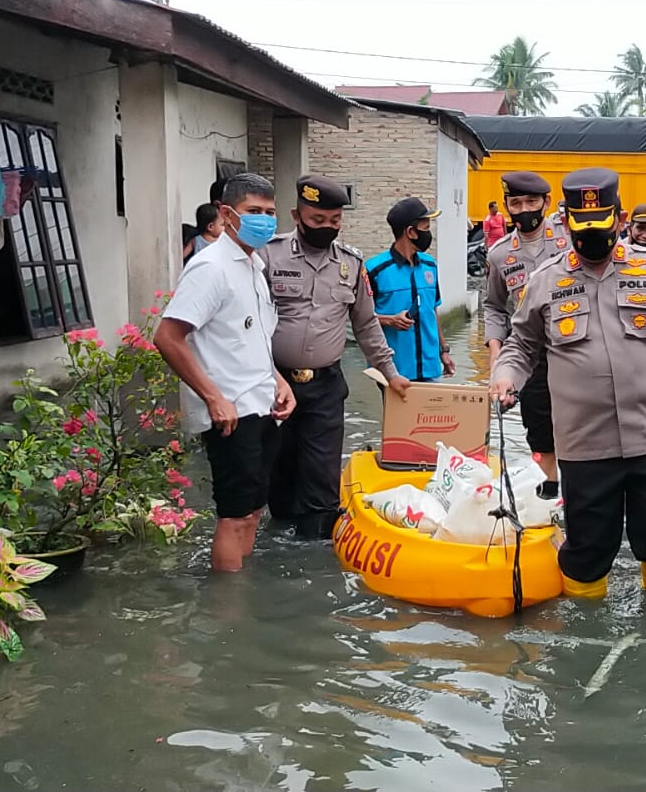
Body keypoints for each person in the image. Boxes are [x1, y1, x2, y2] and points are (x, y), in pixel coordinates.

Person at [491, 167, 646, 599]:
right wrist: (505, 376)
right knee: (588, 550)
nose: (591, 238)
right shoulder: (545, 281)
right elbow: (521, 345)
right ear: (567, 222)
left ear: (619, 219)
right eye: (582, 229)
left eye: (601, 227)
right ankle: (586, 626)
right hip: (585, 444)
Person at [154, 173, 297, 572]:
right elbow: (167, 337)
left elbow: (250, 339)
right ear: (226, 213)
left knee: (253, 511)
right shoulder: (210, 267)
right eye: (254, 211)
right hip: (231, 412)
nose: (264, 220)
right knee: (234, 517)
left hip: (263, 405)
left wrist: (280, 382)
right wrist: (213, 397)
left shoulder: (253, 266)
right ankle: (226, 604)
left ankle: (242, 592)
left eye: (269, 212)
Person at [265, 174, 412, 539]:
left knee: (322, 476)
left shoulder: (350, 264)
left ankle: (316, 547)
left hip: (325, 387)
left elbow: (366, 325)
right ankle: (278, 542)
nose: (327, 227)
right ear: (297, 216)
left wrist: (391, 373)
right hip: (272, 384)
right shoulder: (268, 255)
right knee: (277, 473)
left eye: (334, 220)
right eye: (317, 220)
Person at [483, 171, 571, 500]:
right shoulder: (500, 254)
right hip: (531, 358)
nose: (524, 210)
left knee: (583, 430)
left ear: (546, 203)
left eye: (531, 202)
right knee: (540, 433)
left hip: (575, 351)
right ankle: (549, 497)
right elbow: (494, 306)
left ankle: (582, 499)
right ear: (507, 205)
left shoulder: (570, 239)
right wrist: (496, 353)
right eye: (516, 203)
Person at [366, 197, 455, 383]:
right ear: (411, 232)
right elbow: (360, 319)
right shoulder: (375, 270)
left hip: (431, 368)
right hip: (394, 371)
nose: (429, 233)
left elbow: (433, 310)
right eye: (426, 227)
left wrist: (443, 350)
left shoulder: (430, 266)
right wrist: (390, 320)